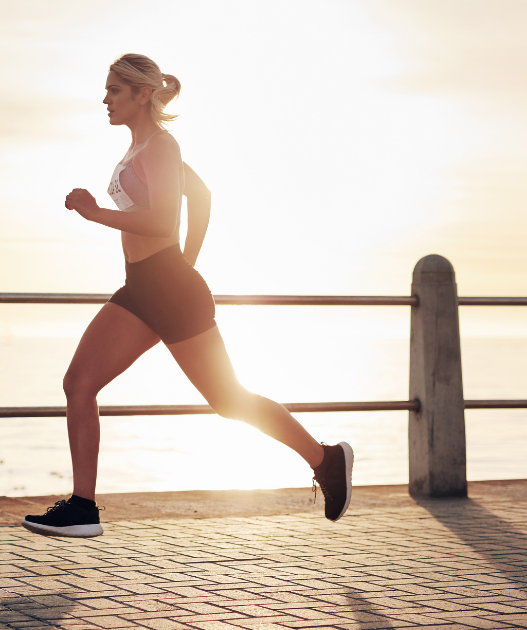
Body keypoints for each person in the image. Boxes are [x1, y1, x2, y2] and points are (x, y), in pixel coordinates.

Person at [21, 53, 353, 539]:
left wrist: (99, 215)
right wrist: (183, 264)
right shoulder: (142, 149)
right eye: (107, 89)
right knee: (79, 382)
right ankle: (83, 506)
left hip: (169, 290)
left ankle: (327, 460)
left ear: (141, 94)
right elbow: (201, 198)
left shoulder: (162, 146)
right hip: (143, 287)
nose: (106, 98)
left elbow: (161, 221)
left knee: (229, 400)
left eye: (115, 90)